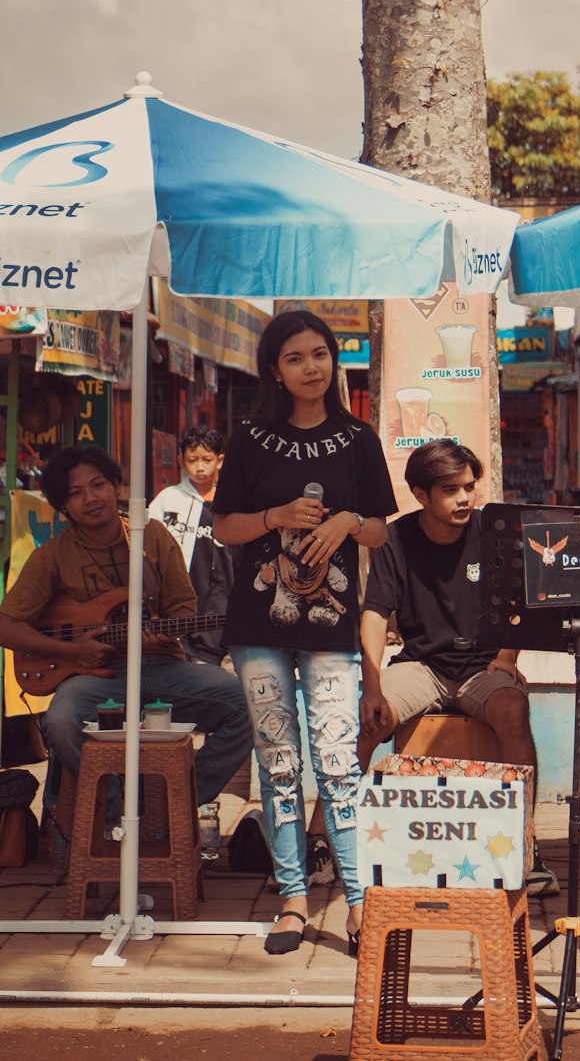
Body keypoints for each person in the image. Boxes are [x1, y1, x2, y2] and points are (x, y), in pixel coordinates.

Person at [213, 309, 397, 957]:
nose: (312, 366)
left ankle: (356, 902)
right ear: (275, 370)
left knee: (339, 765)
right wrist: (274, 515)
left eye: (321, 353)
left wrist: (347, 520)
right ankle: (292, 899)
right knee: (279, 765)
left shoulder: (358, 439)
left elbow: (381, 528)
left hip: (332, 630)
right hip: (256, 627)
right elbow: (223, 528)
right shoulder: (249, 440)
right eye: (296, 357)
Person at [0, 444, 253, 813]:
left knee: (248, 704)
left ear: (116, 485)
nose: (90, 498)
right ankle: (118, 806)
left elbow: (184, 606)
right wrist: (74, 652)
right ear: (63, 506)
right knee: (59, 720)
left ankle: (176, 801)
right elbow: (6, 626)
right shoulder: (53, 555)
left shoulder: (150, 536)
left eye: (98, 485)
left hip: (164, 667)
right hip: (96, 678)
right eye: (75, 493)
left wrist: (165, 629)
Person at [359, 438, 559, 897]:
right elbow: (374, 614)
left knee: (512, 710)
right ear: (421, 494)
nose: (465, 498)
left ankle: (525, 845)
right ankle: (326, 837)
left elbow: (522, 601)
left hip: (482, 666)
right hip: (422, 664)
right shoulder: (394, 537)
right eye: (450, 489)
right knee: (369, 716)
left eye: (469, 486)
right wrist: (372, 685)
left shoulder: (495, 531)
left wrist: (508, 656)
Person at [148, 426, 235, 664]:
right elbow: (149, 537)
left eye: (206, 460)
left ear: (219, 461)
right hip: (181, 586)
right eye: (192, 460)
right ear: (180, 461)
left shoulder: (229, 500)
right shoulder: (168, 498)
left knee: (209, 655)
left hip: (219, 592)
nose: (199, 467)